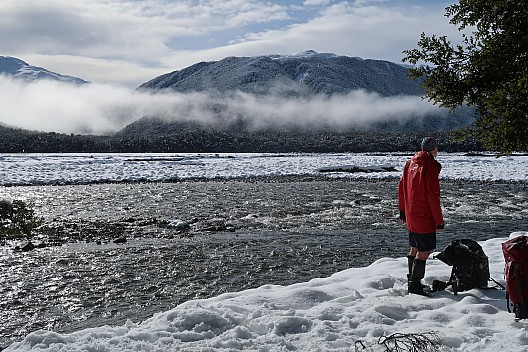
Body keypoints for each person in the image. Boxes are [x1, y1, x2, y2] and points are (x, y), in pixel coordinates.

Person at [398, 137, 444, 295]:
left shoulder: (410, 163)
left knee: (415, 247)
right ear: (434, 149)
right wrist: (439, 221)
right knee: (425, 251)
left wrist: (403, 210)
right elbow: (433, 195)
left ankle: (412, 279)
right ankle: (415, 285)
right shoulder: (430, 166)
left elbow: (402, 187)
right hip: (424, 215)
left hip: (411, 214)